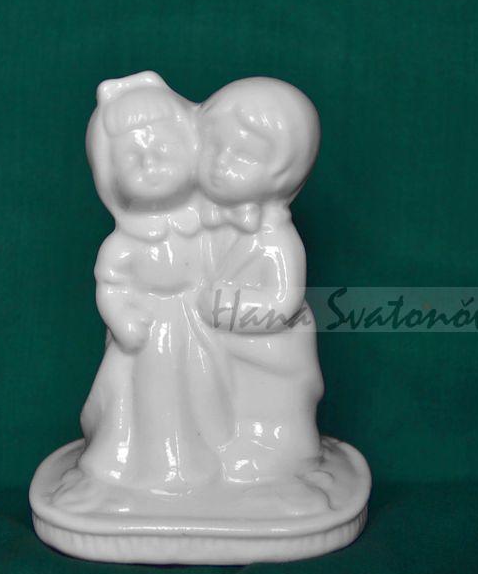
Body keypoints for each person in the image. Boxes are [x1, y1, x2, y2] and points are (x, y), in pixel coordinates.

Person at [70, 72, 228, 498]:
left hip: (198, 327)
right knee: (154, 397)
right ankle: (163, 463)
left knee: (204, 391)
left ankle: (212, 452)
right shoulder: (125, 241)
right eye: (132, 158)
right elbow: (110, 285)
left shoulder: (205, 224)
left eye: (162, 149)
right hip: (153, 332)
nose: (150, 164)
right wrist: (122, 320)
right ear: (111, 176)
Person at [196, 77, 325, 486]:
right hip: (221, 341)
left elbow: (284, 302)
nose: (220, 163)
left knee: (268, 407)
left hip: (268, 347)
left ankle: (278, 454)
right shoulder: (203, 222)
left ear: (282, 174)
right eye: (213, 146)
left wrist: (225, 310)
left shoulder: (276, 239)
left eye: (243, 156)